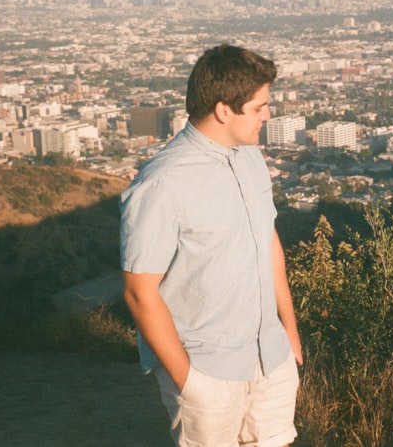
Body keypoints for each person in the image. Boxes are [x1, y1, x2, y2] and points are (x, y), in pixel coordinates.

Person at [121, 43, 303, 447]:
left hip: (270, 359)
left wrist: (289, 333)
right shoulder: (161, 184)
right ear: (224, 110)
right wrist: (188, 380)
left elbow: (268, 244)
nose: (267, 115)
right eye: (259, 107)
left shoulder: (250, 158)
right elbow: (138, 292)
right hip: (207, 370)